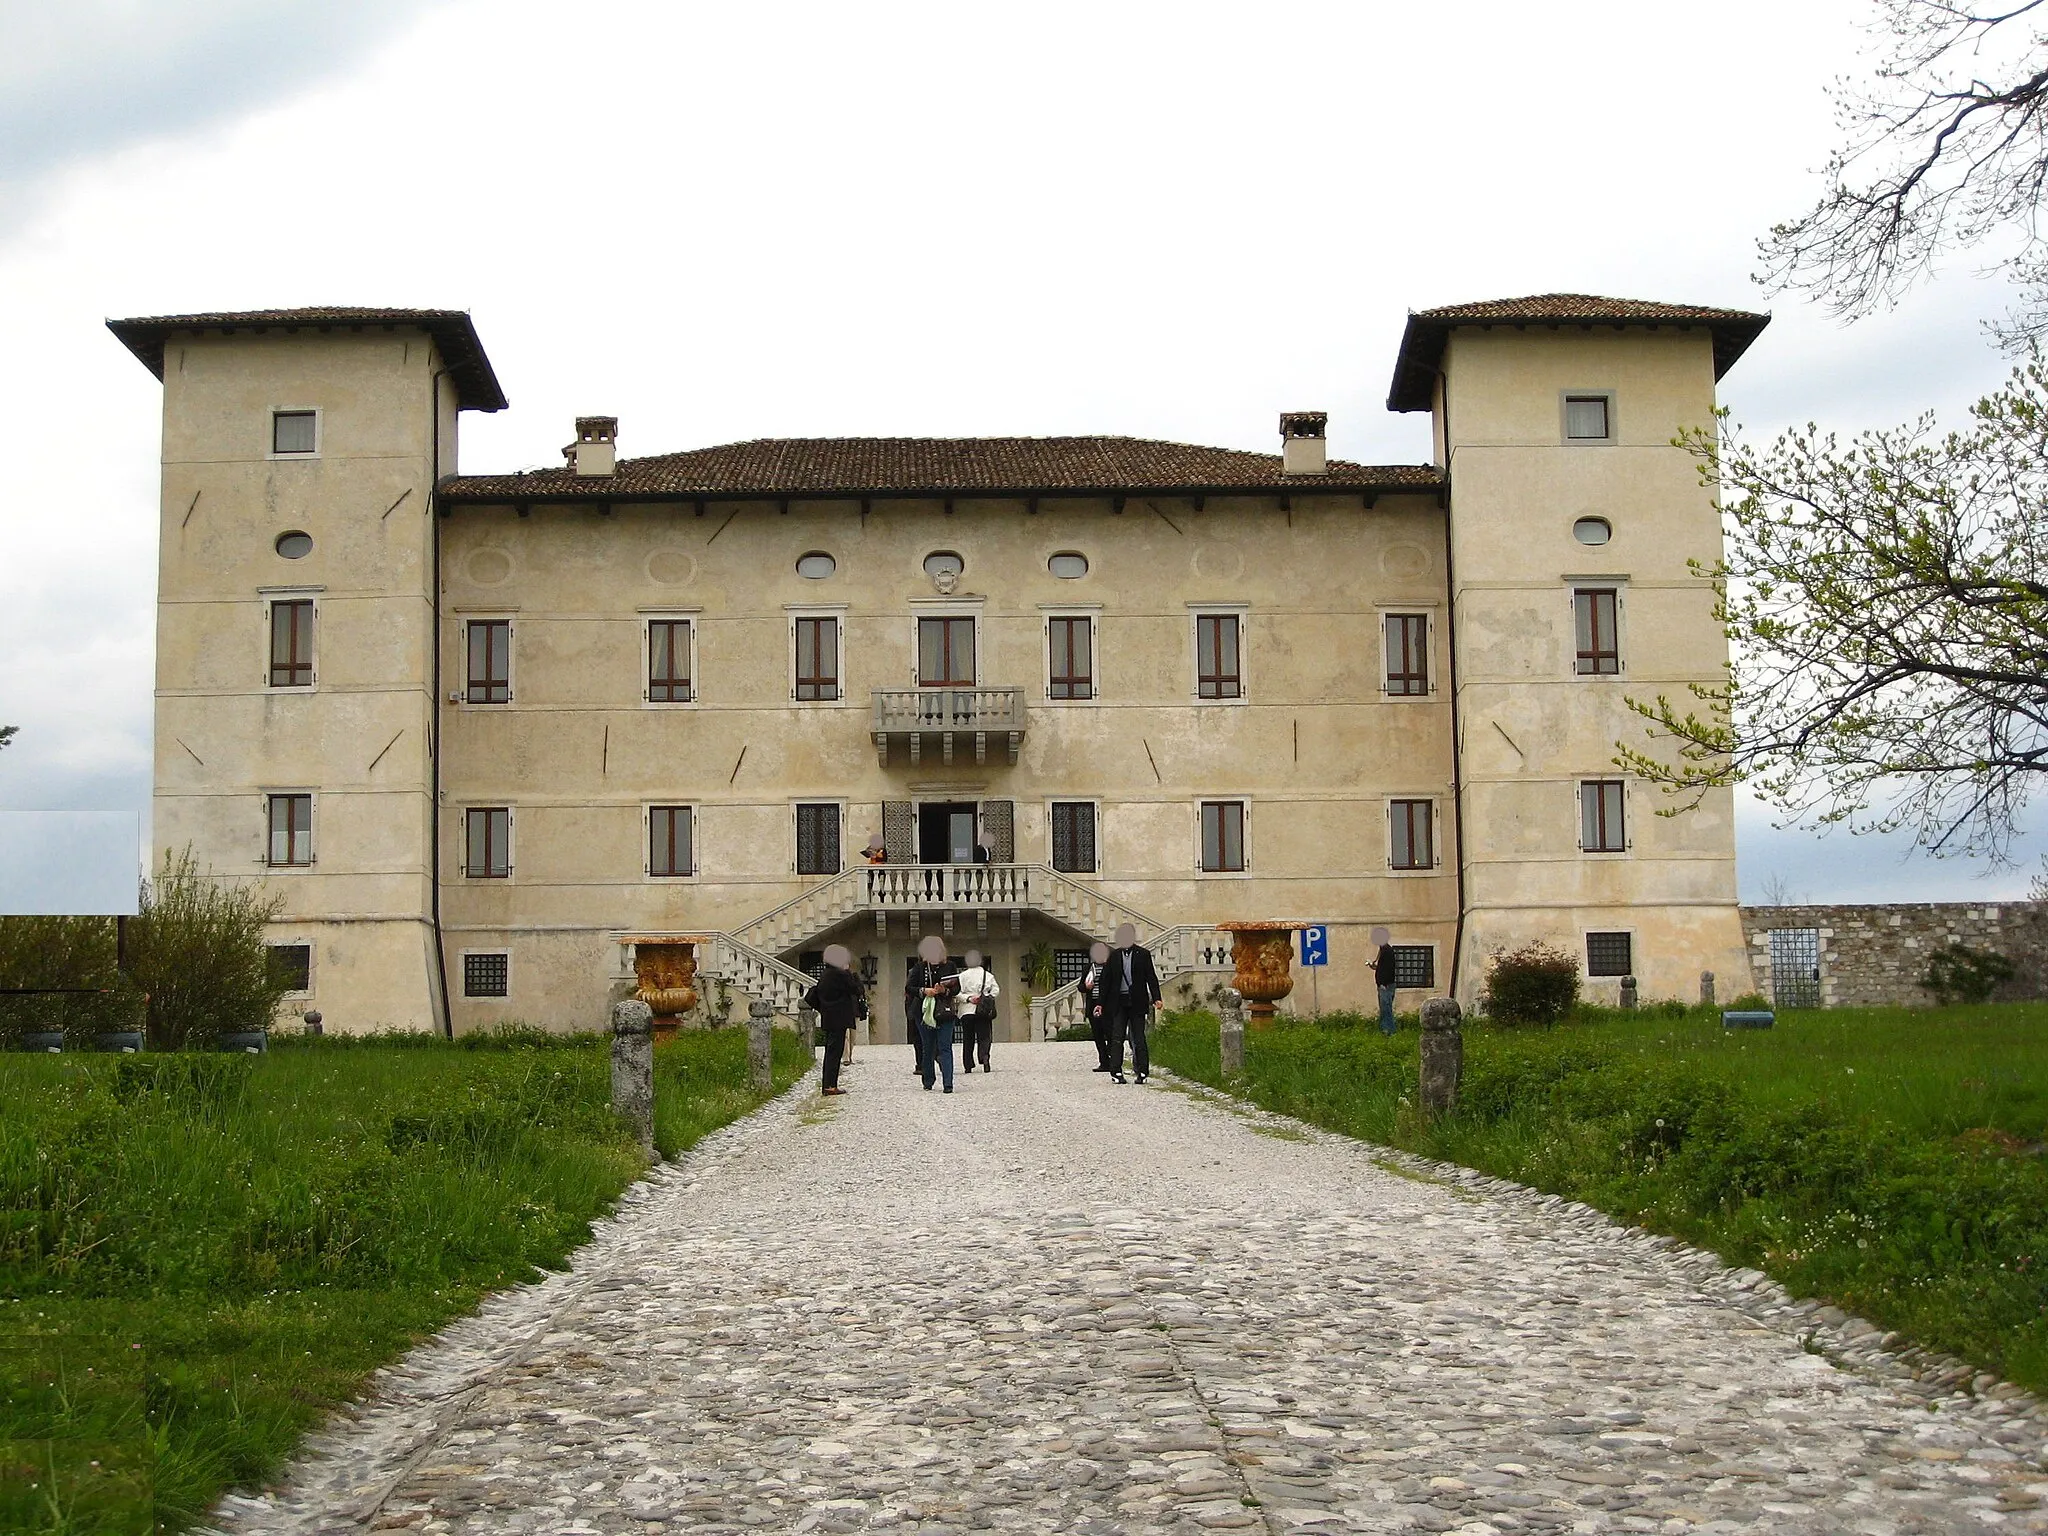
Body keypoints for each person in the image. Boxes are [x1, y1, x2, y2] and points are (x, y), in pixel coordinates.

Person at [1096, 922, 1162, 1084]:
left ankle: (1142, 1072)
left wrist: (1156, 997)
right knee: (1117, 1037)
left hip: (1137, 1001)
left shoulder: (1143, 954)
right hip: (1118, 1003)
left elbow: (1151, 977)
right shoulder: (1114, 956)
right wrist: (1100, 1003)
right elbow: (1106, 981)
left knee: (1138, 1037)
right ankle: (1116, 1072)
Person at [803, 944, 862, 1095]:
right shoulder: (840, 974)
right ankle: (830, 1086)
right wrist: (849, 971)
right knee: (835, 1052)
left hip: (829, 1017)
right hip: (839, 1018)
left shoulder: (826, 974)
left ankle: (828, 1084)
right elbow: (856, 989)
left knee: (831, 1052)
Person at [909, 934, 961, 1092]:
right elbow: (909, 988)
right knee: (928, 1046)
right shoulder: (919, 968)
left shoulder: (950, 966)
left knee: (945, 1046)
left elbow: (957, 988)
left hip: (944, 1011)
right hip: (924, 1011)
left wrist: (944, 990)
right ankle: (928, 1080)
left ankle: (948, 1083)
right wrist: (924, 990)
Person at [956, 948, 1001, 1073]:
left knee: (968, 1038)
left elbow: (957, 993)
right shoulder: (988, 975)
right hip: (983, 1010)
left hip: (967, 1010)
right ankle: (985, 1059)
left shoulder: (962, 976)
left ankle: (968, 1064)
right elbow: (996, 990)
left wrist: (969, 998)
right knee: (984, 1036)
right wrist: (985, 997)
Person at [1080, 940, 1112, 1072]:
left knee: (1110, 1034)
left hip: (1108, 1005)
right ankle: (1104, 1062)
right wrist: (1086, 987)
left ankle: (1114, 1060)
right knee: (1098, 1036)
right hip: (1092, 1003)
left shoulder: (1110, 967)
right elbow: (1080, 986)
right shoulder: (1088, 968)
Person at [1371, 926, 1398, 1036]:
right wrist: (1375, 967)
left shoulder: (1387, 951)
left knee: (1386, 1009)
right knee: (1385, 1009)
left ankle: (1389, 1031)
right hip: (1385, 984)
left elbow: (1388, 969)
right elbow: (1383, 968)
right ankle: (1385, 1030)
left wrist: (1383, 983)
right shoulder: (1384, 950)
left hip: (1385, 985)